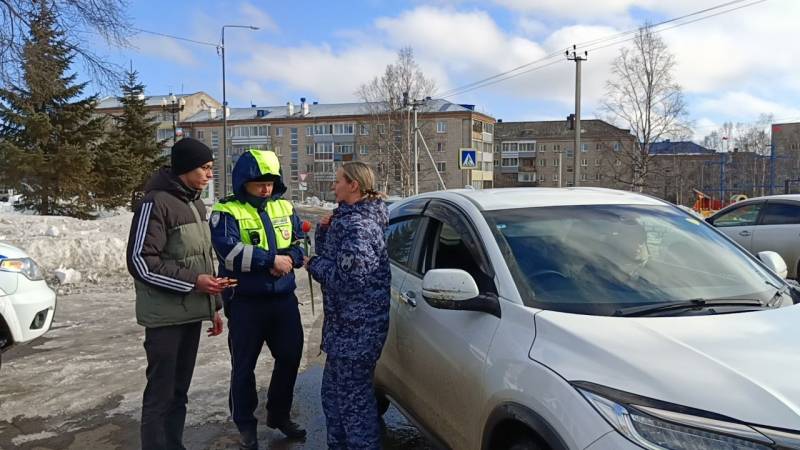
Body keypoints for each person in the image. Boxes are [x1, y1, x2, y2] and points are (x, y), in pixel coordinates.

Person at [125, 137, 225, 450]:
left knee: (179, 392)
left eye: (211, 168)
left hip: (191, 313)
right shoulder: (155, 202)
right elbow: (141, 261)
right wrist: (195, 282)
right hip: (164, 319)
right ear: (184, 168)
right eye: (204, 168)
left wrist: (214, 307)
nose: (210, 175)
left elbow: (202, 258)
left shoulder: (194, 203)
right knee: (161, 395)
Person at [209, 149, 307, 449]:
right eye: (259, 183)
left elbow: (300, 245)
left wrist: (290, 258)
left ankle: (278, 415)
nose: (266, 188)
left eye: (270, 182)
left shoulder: (284, 207)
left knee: (290, 358)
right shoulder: (225, 211)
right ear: (243, 182)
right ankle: (245, 425)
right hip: (245, 303)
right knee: (244, 367)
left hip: (283, 301)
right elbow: (230, 253)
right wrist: (271, 261)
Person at [305, 162, 390, 450]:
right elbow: (335, 256)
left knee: (355, 410)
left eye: (338, 180)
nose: (333, 185)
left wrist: (312, 265)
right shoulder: (347, 219)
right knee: (334, 399)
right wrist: (324, 230)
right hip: (343, 331)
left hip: (356, 332)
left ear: (353, 185)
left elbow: (348, 278)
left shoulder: (360, 227)